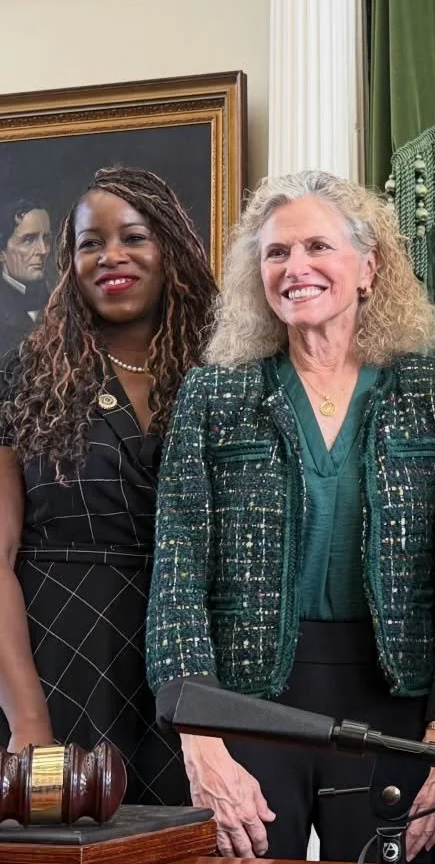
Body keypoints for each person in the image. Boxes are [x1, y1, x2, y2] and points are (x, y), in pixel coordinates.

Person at [145, 171, 435, 863]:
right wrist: (201, 741)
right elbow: (177, 573)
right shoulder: (215, 392)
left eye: (317, 247)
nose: (295, 268)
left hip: (396, 703)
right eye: (276, 253)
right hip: (246, 703)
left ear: (369, 266)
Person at [0, 168, 215, 806]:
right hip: (59, 658)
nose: (111, 256)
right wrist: (29, 721)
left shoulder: (223, 372)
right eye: (90, 243)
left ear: (170, 248)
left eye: (134, 237)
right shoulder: (26, 376)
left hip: (195, 668)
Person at [0, 199, 52, 355]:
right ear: (2, 252)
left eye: (46, 239)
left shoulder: (61, 302)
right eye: (29, 240)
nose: (43, 250)